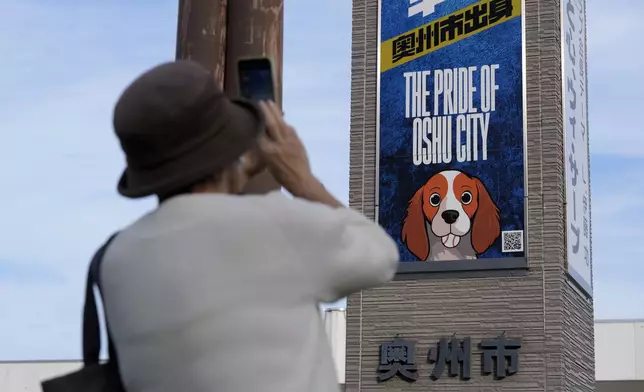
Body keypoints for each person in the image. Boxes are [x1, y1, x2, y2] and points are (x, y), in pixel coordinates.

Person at [100, 60, 399, 392]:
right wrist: (301, 178)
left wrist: (234, 169)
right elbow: (380, 255)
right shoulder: (273, 223)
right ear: (231, 142)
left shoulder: (117, 257)